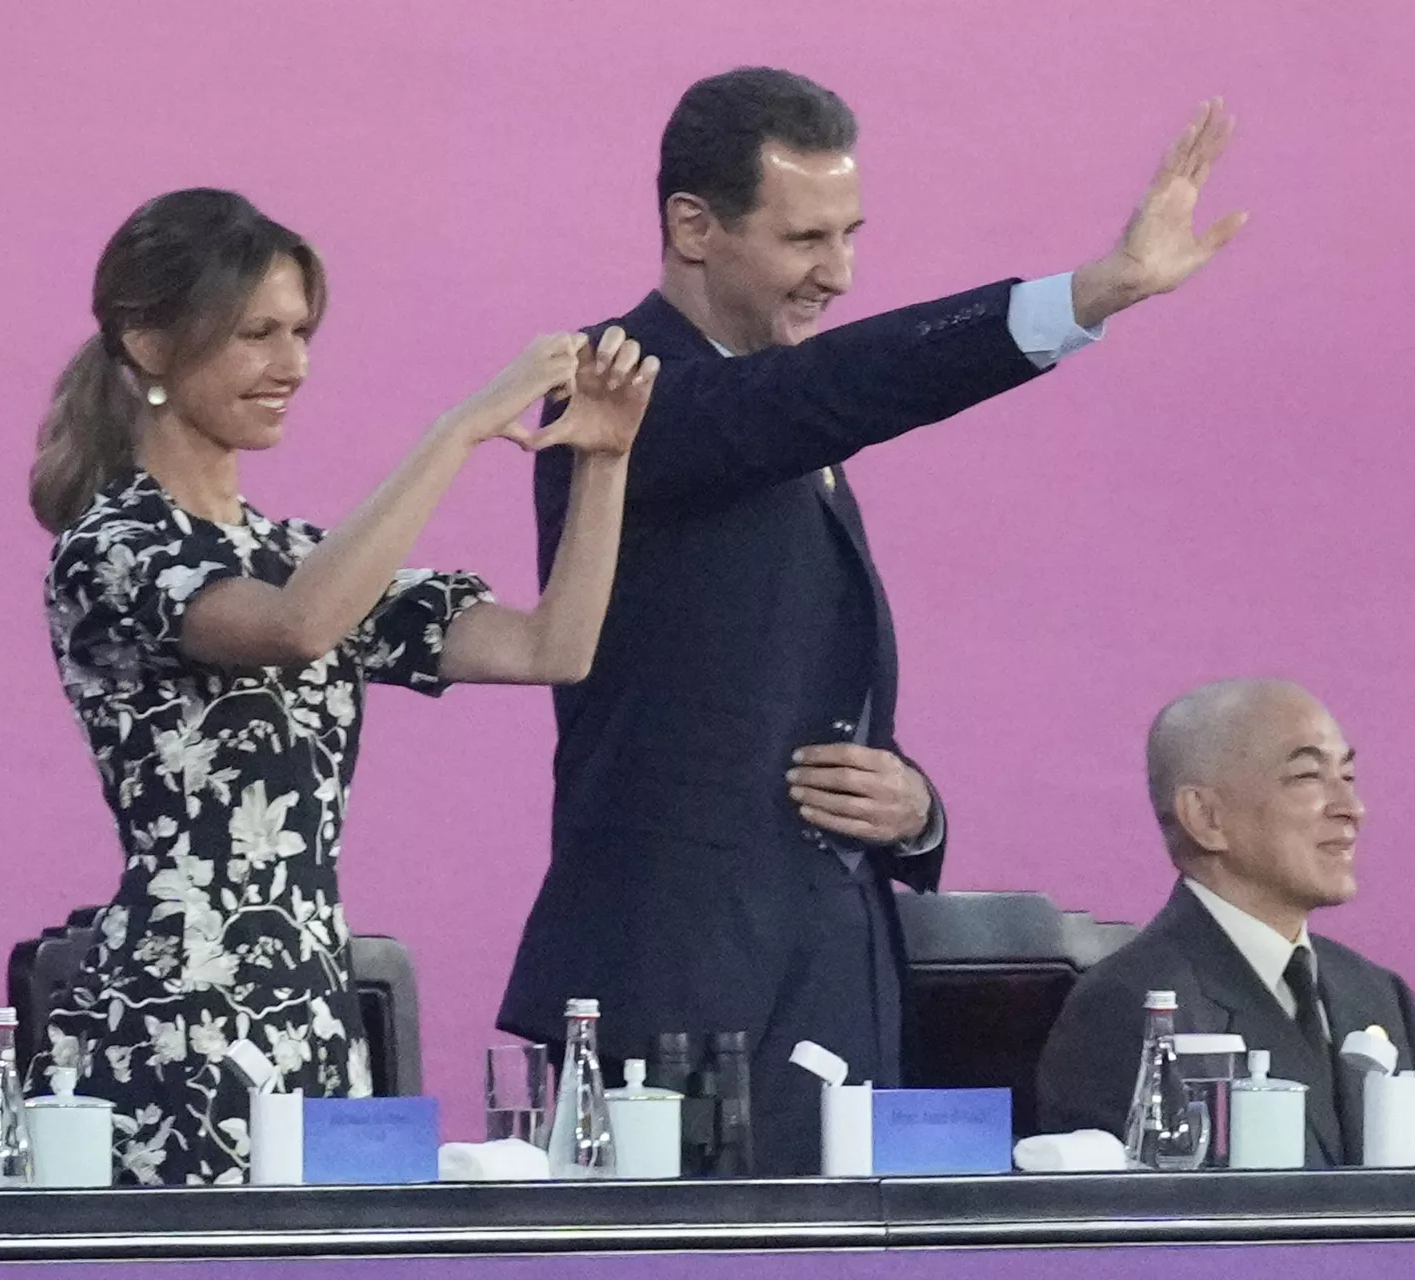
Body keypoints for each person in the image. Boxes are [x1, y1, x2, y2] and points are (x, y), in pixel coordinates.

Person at [496, 67, 1247, 1174]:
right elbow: (840, 388)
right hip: (679, 1001)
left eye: (850, 234)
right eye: (806, 238)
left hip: (831, 989)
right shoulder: (617, 394)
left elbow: (789, 678)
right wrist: (1086, 294)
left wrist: (915, 809)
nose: (838, 274)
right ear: (692, 227)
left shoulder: (770, 413)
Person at [30, 188, 658, 1185]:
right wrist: (458, 429)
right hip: (169, 1031)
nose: (293, 365)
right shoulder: (112, 550)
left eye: (301, 332)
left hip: (315, 1012)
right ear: (148, 343)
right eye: (256, 334)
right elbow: (298, 625)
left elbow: (553, 644)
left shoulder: (297, 553)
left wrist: (606, 459)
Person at [1035, 678, 1415, 1166]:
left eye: (1349, 777)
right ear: (1206, 817)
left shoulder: (1377, 995)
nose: (1350, 809)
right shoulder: (1130, 1007)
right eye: (1308, 776)